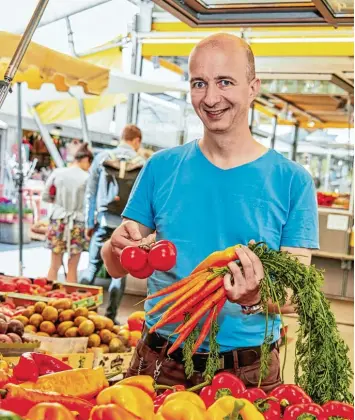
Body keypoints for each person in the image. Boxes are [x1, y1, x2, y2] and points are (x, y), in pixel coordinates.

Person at [101, 34, 319, 391]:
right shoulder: (160, 167)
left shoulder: (292, 180)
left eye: (225, 82)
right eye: (199, 83)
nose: (211, 98)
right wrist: (115, 246)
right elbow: (115, 265)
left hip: (247, 368)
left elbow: (297, 294)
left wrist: (255, 297)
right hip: (159, 358)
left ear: (253, 88)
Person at [81, 125, 145, 322]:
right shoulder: (142, 162)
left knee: (91, 267)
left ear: (122, 137)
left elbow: (90, 193)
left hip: (103, 220)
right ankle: (110, 317)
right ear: (136, 140)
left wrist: (88, 221)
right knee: (119, 273)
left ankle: (82, 312)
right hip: (126, 227)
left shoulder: (102, 158)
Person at [42, 142, 93, 283]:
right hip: (78, 222)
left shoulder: (58, 173)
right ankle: (71, 299)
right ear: (85, 159)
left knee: (54, 265)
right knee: (73, 266)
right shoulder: (87, 178)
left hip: (58, 220)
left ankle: (47, 298)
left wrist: (59, 203)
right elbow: (90, 203)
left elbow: (46, 196)